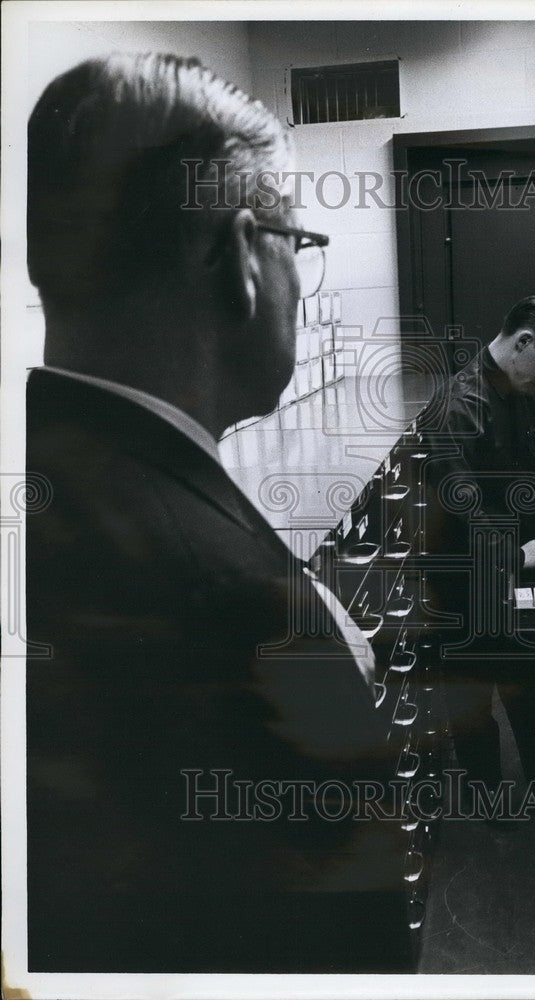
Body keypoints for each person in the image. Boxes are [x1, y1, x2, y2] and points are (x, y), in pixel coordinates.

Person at [26, 53, 409, 973]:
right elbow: (346, 955)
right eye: (298, 244)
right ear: (241, 255)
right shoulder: (239, 608)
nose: (298, 284)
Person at [421, 295, 535, 807]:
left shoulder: (515, 391)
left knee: (532, 681)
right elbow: (461, 501)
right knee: (473, 698)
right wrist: (511, 556)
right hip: (462, 576)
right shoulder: (458, 403)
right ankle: (487, 800)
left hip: (506, 568)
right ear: (523, 343)